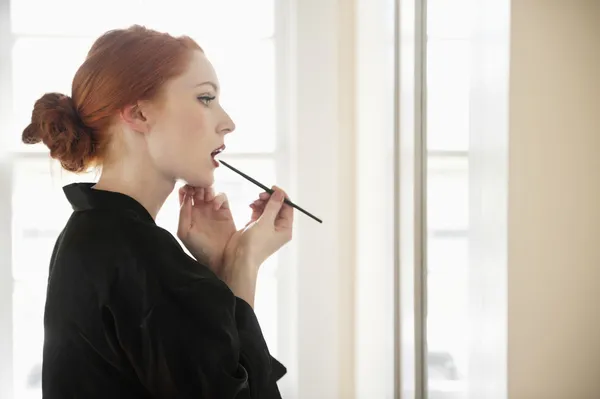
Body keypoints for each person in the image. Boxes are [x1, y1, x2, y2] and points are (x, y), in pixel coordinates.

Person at [21, 25, 293, 398]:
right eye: (205, 98)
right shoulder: (141, 254)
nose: (228, 121)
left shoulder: (89, 232)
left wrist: (218, 279)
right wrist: (242, 264)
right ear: (139, 114)